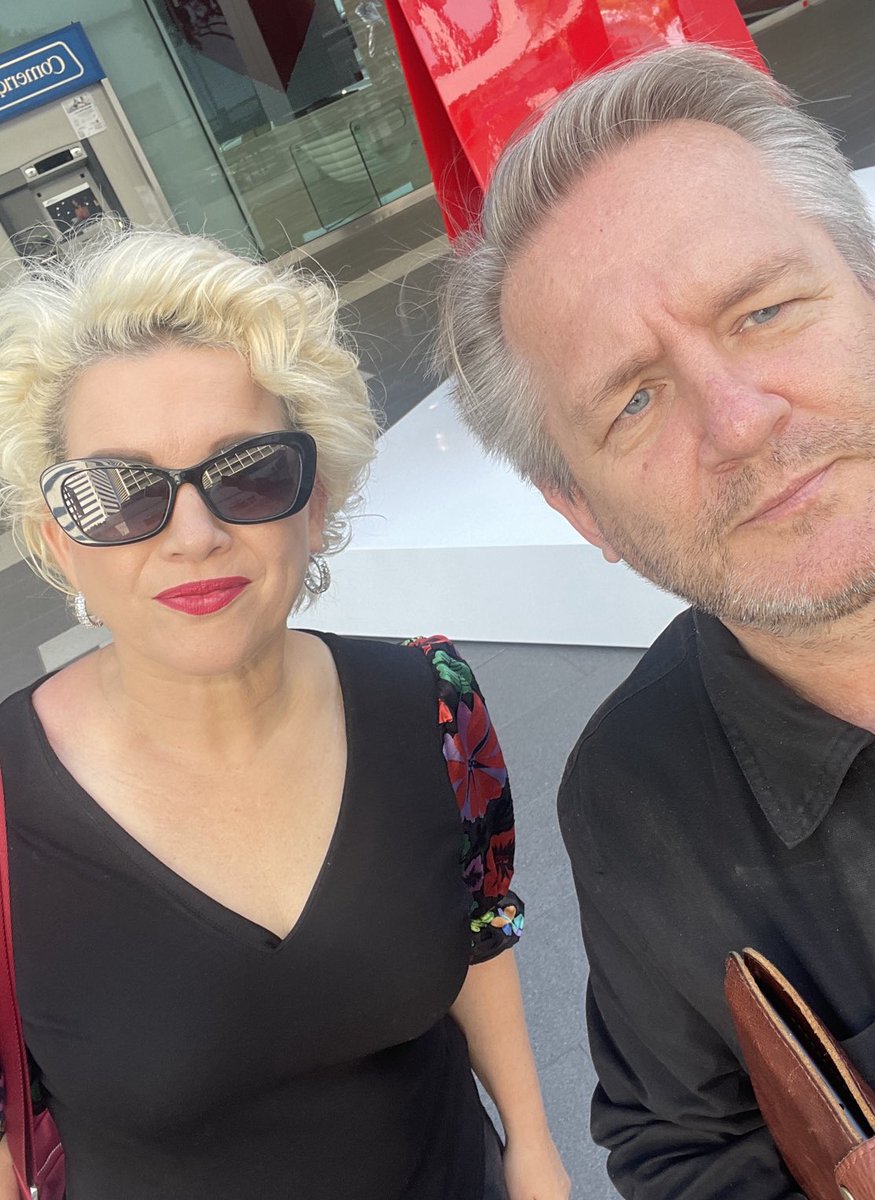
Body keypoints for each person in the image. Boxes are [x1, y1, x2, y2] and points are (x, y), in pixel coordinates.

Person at [0, 227, 569, 1200]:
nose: (193, 535)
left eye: (248, 473)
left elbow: (479, 928)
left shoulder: (432, 701)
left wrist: (531, 1146)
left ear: (315, 502)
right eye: (117, 494)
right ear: (59, 540)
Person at [438, 42, 875, 1200]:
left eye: (763, 310)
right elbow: (681, 1147)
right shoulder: (634, 793)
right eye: (633, 399)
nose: (736, 421)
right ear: (583, 512)